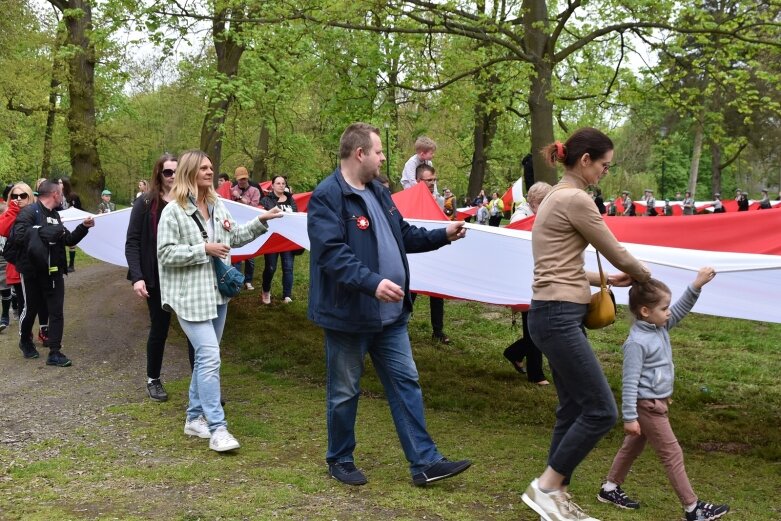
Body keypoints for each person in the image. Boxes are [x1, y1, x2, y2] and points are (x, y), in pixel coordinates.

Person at [307, 122, 471, 487]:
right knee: (344, 390)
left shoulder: (380, 193)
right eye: (379, 152)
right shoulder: (328, 196)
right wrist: (372, 283)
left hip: (391, 316)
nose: (384, 158)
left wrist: (443, 234)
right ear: (360, 153)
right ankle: (340, 458)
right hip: (349, 315)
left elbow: (404, 234)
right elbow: (331, 254)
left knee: (405, 382)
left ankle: (425, 462)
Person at [522, 128, 651, 521]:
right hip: (559, 315)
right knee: (600, 410)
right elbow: (616, 251)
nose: (605, 174)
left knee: (573, 407)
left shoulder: (554, 197)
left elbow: (563, 265)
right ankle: (546, 486)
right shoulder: (577, 199)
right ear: (585, 161)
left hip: (551, 312)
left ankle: (555, 492)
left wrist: (609, 282)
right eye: (604, 166)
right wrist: (647, 277)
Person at [157, 150, 281, 452]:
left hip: (218, 295)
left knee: (205, 358)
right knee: (211, 357)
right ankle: (217, 428)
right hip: (190, 298)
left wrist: (260, 221)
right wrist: (204, 249)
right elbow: (165, 254)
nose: (210, 172)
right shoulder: (172, 212)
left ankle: (193, 418)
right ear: (189, 172)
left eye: (211, 167)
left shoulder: (217, 204)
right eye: (203, 168)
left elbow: (234, 237)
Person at [597, 268, 730, 521]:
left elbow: (680, 309)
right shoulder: (637, 343)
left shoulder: (658, 328)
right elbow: (629, 382)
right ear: (646, 311)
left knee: (632, 448)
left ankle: (609, 488)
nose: (669, 312)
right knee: (672, 453)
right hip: (648, 407)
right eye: (664, 308)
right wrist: (629, 417)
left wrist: (696, 286)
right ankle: (693, 508)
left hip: (655, 403)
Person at [126, 153, 195, 402]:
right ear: (159, 174)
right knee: (160, 329)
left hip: (185, 276)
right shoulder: (145, 203)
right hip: (156, 278)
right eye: (168, 172)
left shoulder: (189, 202)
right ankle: (153, 379)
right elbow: (132, 242)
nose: (173, 176)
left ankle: (201, 386)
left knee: (193, 330)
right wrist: (137, 277)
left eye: (177, 171)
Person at [12, 180, 94, 366]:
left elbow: (68, 239)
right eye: (61, 194)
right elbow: (19, 236)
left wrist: (84, 227)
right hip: (32, 271)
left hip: (54, 271)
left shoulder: (55, 215)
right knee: (31, 308)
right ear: (55, 194)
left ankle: (55, 352)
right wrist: (47, 231)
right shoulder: (29, 212)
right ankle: (25, 341)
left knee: (56, 311)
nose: (63, 197)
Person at [502, 181, 552, 385]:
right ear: (534, 202)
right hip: (525, 278)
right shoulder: (520, 218)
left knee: (541, 325)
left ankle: (514, 352)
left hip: (541, 274)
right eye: (545, 202)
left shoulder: (541, 215)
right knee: (534, 324)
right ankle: (536, 374)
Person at [413, 164, 451, 344]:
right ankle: (400, 324)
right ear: (419, 180)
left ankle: (438, 330)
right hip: (416, 250)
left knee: (437, 292)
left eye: (434, 180)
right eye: (429, 180)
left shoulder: (439, 200)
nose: (432, 183)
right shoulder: (411, 198)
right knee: (410, 290)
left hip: (434, 249)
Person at [260, 175, 298, 304]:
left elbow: (296, 215)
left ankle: (287, 295)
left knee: (288, 267)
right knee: (270, 267)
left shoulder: (291, 200)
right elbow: (262, 216)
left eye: (283, 183)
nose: (281, 185)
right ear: (272, 185)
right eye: (278, 183)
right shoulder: (266, 200)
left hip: (287, 239)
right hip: (272, 239)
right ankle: (266, 291)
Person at [230, 166, 261, 290]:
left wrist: (239, 197)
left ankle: (248, 280)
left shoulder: (255, 191)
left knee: (250, 256)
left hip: (249, 225)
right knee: (237, 254)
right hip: (235, 225)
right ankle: (237, 280)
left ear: (247, 178)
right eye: (239, 179)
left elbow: (253, 206)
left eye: (243, 179)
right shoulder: (232, 190)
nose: (241, 181)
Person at [60, 177, 82, 272]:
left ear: (65, 184)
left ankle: (71, 265)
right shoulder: (55, 195)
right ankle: (62, 265)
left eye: (60, 182)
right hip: (60, 221)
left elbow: (79, 208)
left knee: (72, 243)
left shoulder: (73, 196)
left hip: (71, 221)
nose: (58, 184)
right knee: (60, 242)